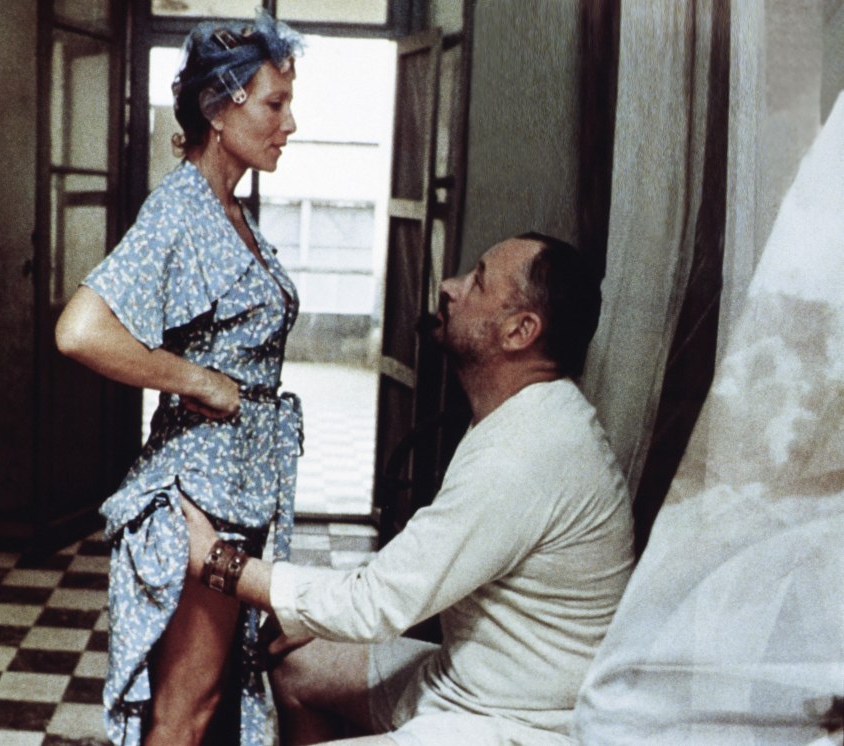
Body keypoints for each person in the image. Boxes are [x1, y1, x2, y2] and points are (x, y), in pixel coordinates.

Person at [179, 233, 636, 746]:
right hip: (467, 686)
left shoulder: (527, 453)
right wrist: (315, 618)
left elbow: (374, 604)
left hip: (516, 726)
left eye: (478, 281)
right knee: (299, 664)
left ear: (519, 331)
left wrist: (217, 561)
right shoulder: (522, 415)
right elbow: (412, 575)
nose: (451, 286)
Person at [54, 11, 303, 746]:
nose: (289, 124)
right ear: (219, 110)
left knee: (209, 702)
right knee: (185, 711)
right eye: (274, 105)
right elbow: (79, 330)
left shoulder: (227, 211)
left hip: (238, 486)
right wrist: (195, 379)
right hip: (203, 494)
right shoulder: (181, 209)